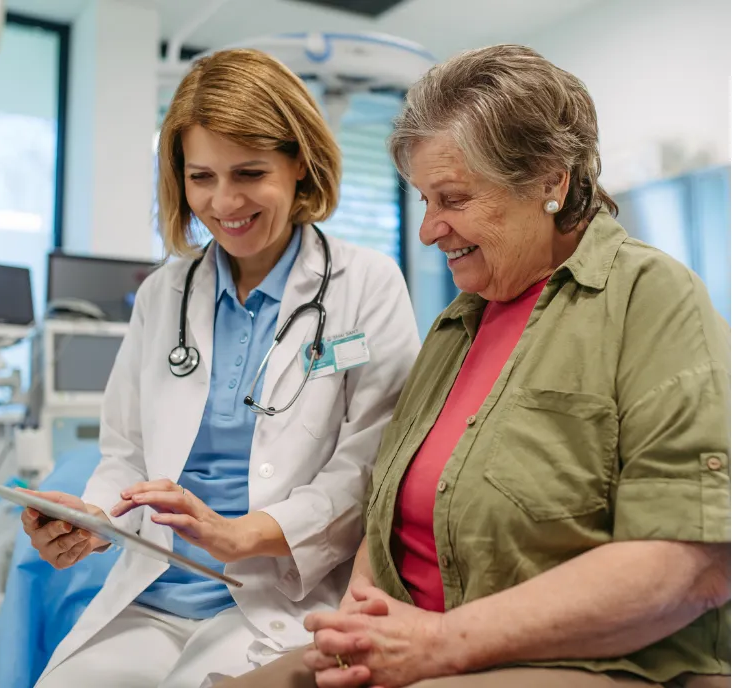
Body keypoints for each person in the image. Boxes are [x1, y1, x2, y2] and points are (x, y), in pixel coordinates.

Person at [220, 44, 731, 688]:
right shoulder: (456, 326)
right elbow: (387, 512)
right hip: (422, 644)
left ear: (550, 180)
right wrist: (358, 624)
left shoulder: (650, 299)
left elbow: (691, 566)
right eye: (423, 200)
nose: (430, 229)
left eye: (453, 198)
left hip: (594, 660)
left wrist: (440, 643)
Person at [24, 48, 420, 688]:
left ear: (300, 164)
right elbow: (126, 454)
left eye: (249, 172)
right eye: (201, 176)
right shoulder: (164, 293)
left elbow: (372, 468)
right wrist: (92, 523)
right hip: (154, 591)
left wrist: (247, 535)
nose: (223, 201)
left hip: (280, 593)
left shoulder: (365, 285)